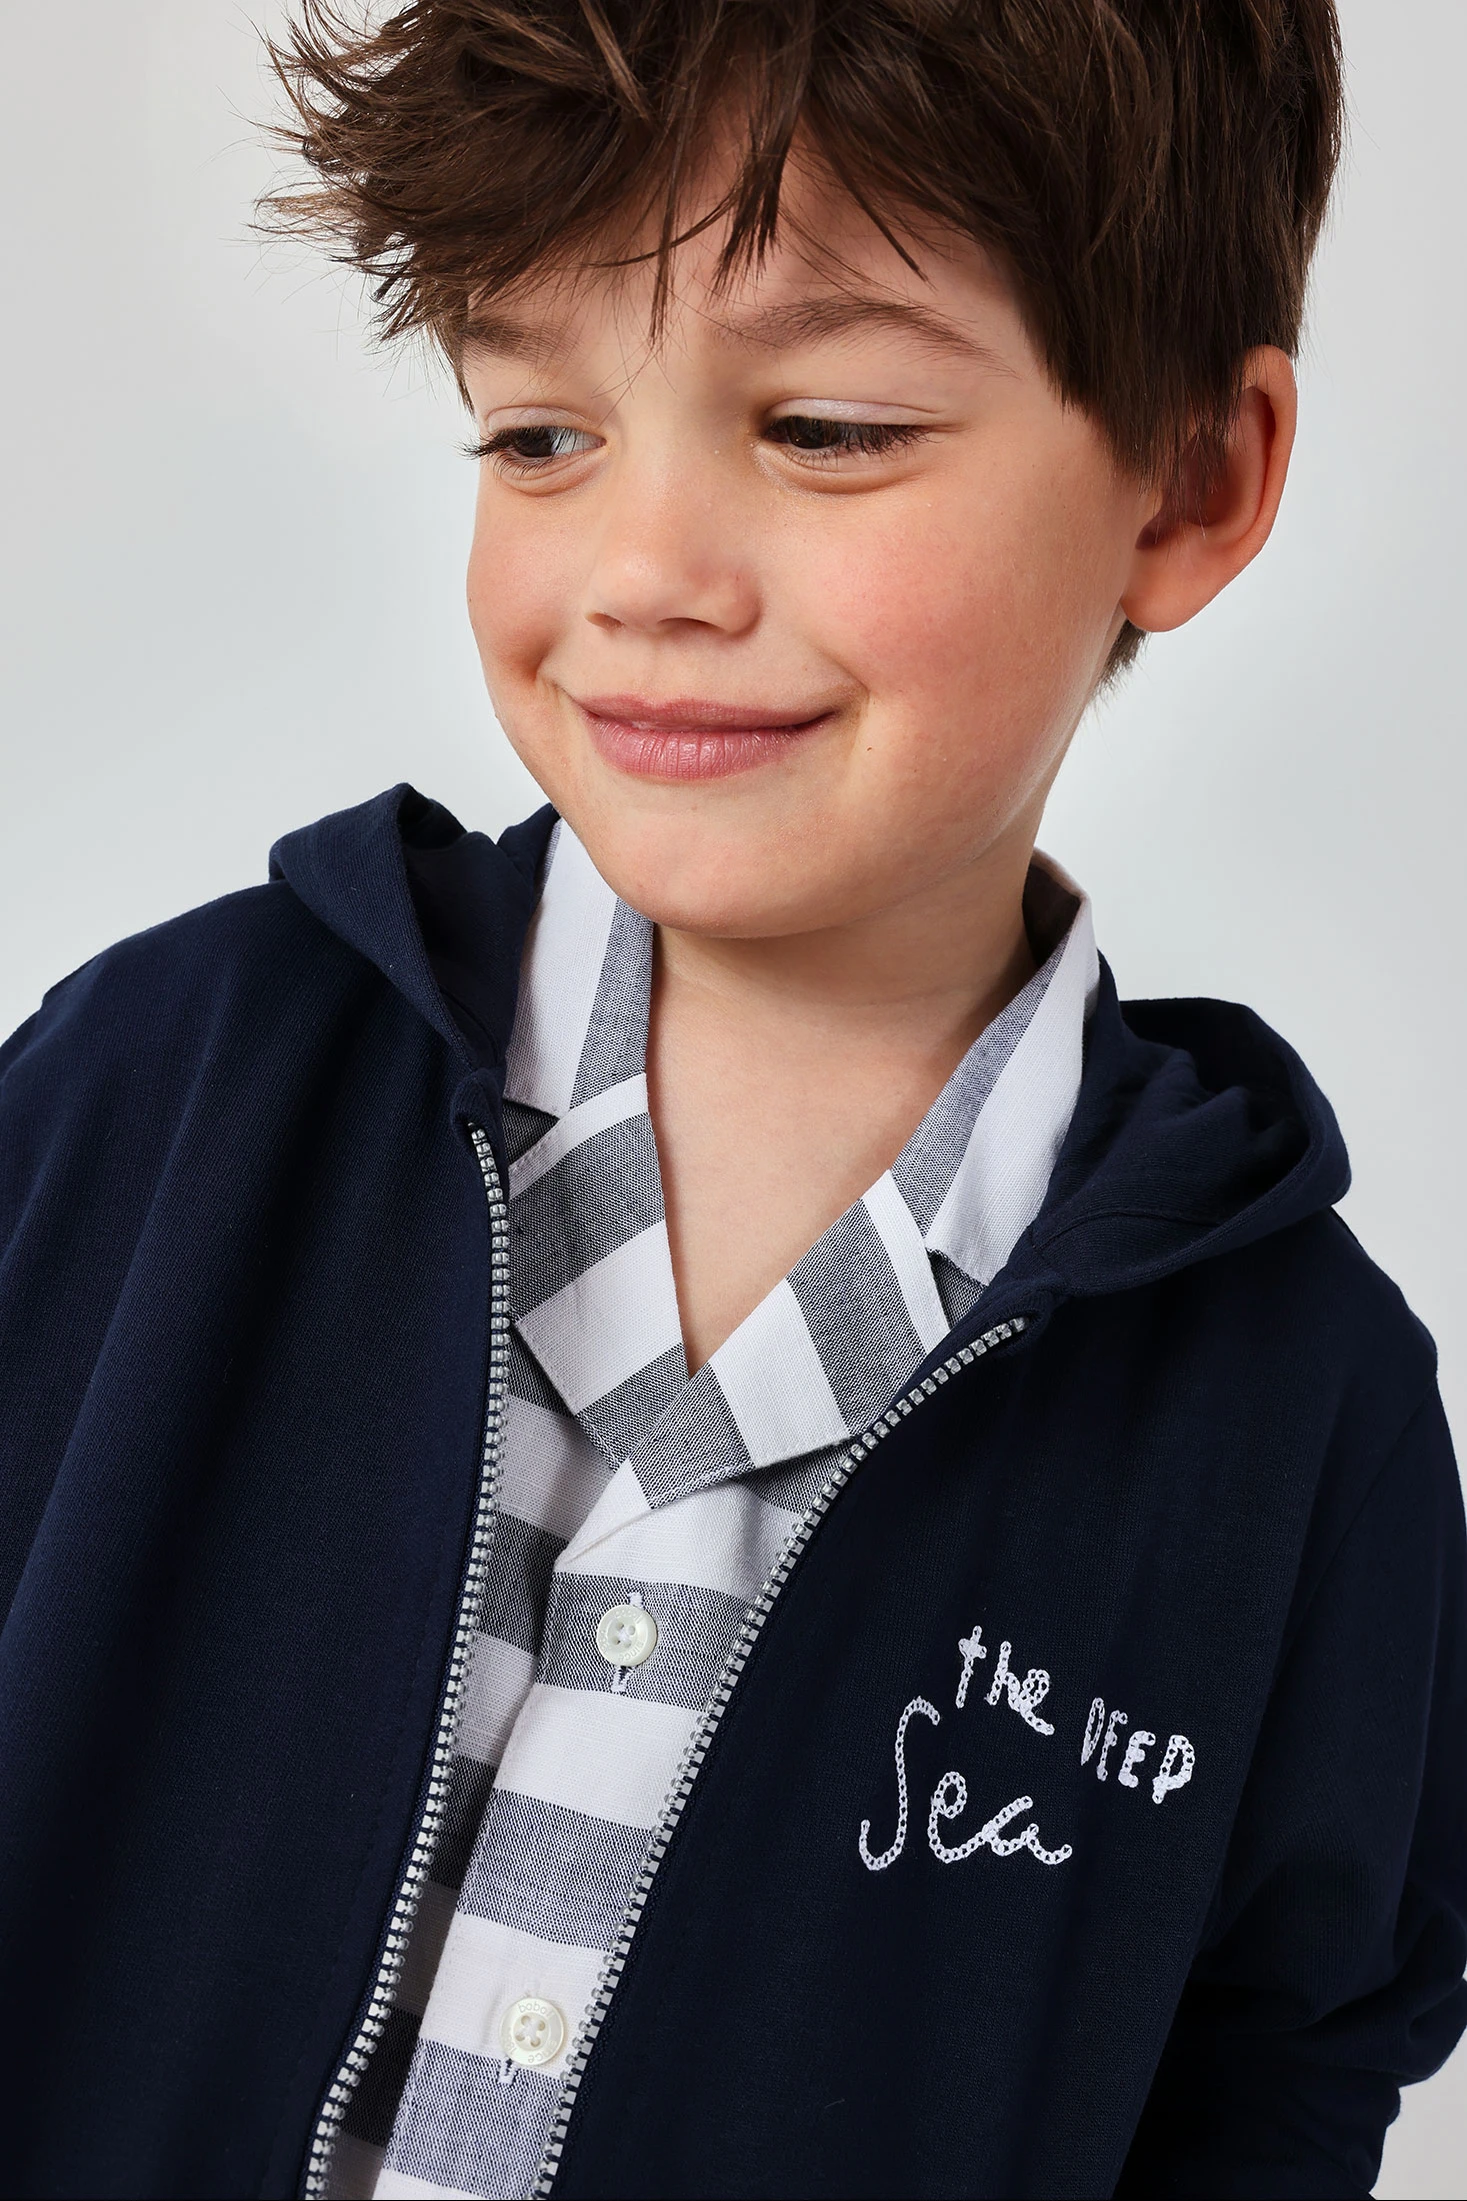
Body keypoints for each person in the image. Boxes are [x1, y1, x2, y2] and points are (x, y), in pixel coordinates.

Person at [1, 2, 1462, 2196]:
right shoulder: (164, 1086)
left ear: (1187, 480)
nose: (640, 573)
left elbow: (1286, 2062)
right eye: (536, 435)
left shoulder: (1299, 1413)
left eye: (827, 427)